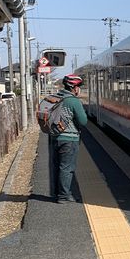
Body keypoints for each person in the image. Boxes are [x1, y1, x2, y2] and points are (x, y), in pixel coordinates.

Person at [49, 74, 87, 204]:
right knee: (66, 167)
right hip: (69, 139)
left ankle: (57, 193)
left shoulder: (56, 97)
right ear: (74, 87)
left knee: (57, 166)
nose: (79, 89)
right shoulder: (73, 101)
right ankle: (64, 196)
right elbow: (83, 121)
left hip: (54, 136)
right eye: (79, 86)